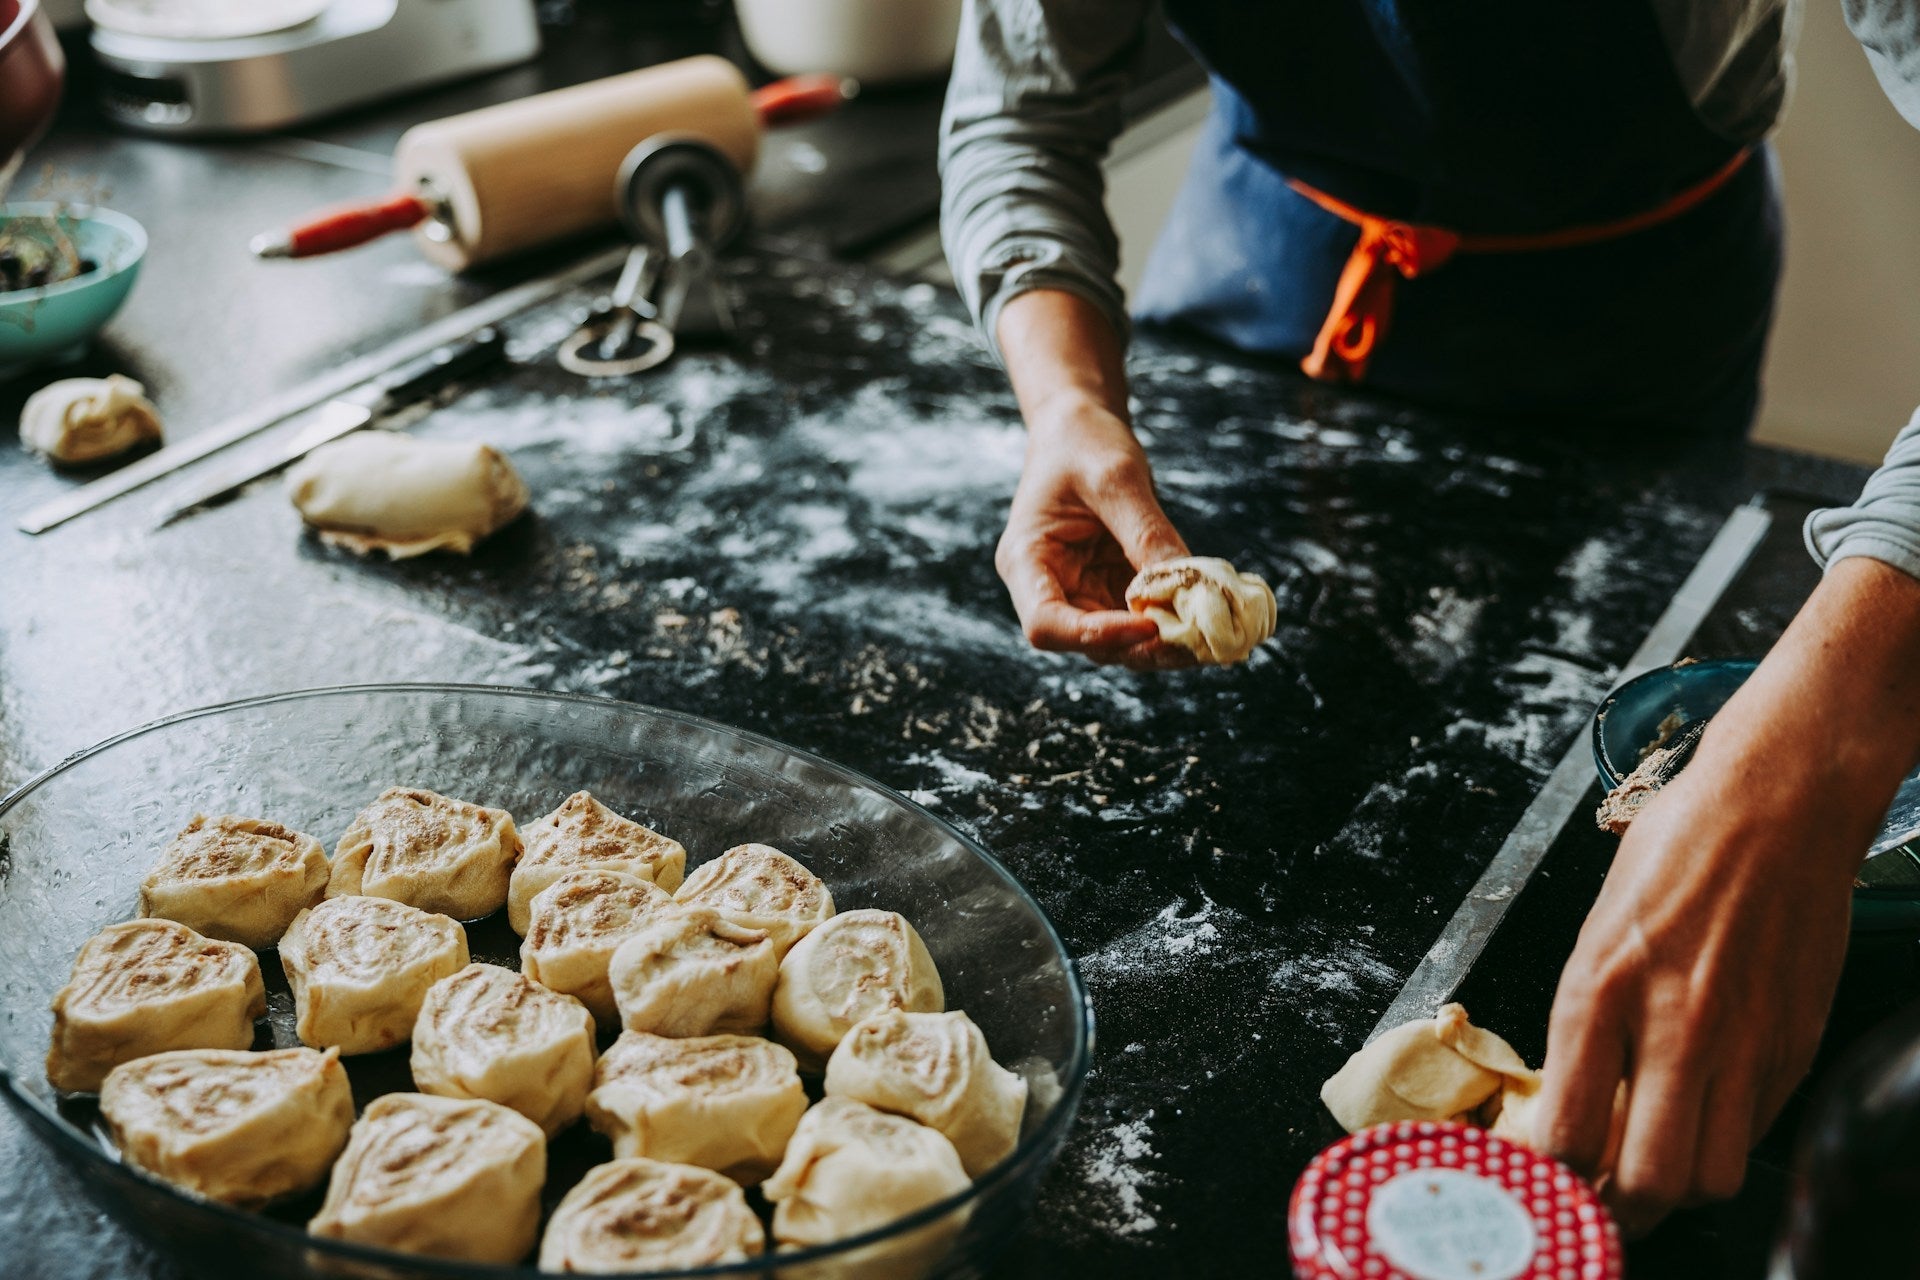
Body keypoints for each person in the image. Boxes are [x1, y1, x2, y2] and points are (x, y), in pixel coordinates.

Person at [939, 0, 1920, 1232]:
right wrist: (1068, 400)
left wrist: (1822, 751)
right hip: (1269, 254)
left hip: (1623, 327)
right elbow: (1016, 105)